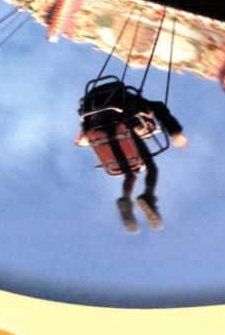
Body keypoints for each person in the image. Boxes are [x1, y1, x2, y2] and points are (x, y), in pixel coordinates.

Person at [76, 90, 188, 233]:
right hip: (120, 127)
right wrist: (176, 132)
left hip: (104, 133)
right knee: (152, 169)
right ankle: (148, 196)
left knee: (130, 175)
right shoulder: (132, 103)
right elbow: (158, 107)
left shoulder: (92, 109)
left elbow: (83, 133)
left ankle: (125, 199)